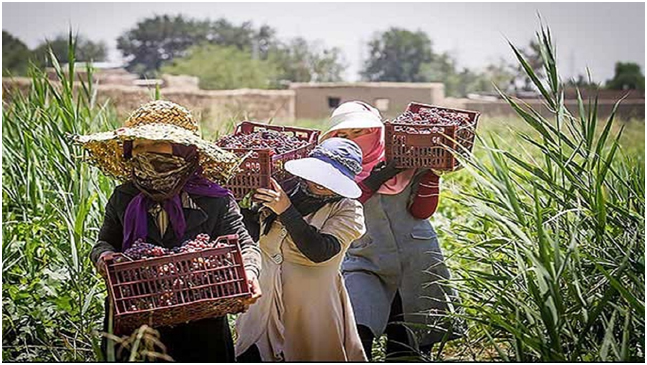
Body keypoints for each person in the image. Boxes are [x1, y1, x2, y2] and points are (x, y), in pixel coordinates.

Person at [74, 100, 262, 362]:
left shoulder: (214, 199)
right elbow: (104, 243)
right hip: (136, 318)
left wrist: (250, 272)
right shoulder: (124, 197)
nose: (147, 152)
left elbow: (245, 244)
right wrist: (103, 258)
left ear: (183, 151)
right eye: (139, 146)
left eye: (157, 144)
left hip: (201, 321)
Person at [321, 101, 463, 360]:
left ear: (377, 131)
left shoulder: (408, 158)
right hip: (366, 259)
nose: (352, 139)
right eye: (344, 135)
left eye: (359, 132)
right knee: (357, 325)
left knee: (410, 336)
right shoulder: (335, 169)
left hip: (417, 257)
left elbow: (421, 211)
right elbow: (344, 202)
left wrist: (432, 174)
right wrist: (375, 179)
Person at [235, 138, 368, 362]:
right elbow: (252, 235)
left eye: (331, 179)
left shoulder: (347, 209)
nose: (321, 183)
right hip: (264, 298)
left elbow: (319, 251)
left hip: (311, 307)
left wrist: (285, 210)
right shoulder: (288, 191)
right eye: (318, 174)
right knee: (253, 354)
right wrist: (247, 206)